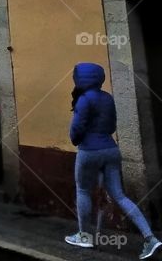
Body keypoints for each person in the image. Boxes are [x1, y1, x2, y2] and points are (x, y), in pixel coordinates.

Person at [66, 62, 161, 259]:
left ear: (81, 79)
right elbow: (111, 126)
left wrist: (76, 140)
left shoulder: (84, 99)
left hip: (89, 151)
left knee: (83, 190)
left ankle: (84, 236)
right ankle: (150, 238)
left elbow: (77, 128)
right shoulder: (107, 98)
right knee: (119, 196)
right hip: (110, 149)